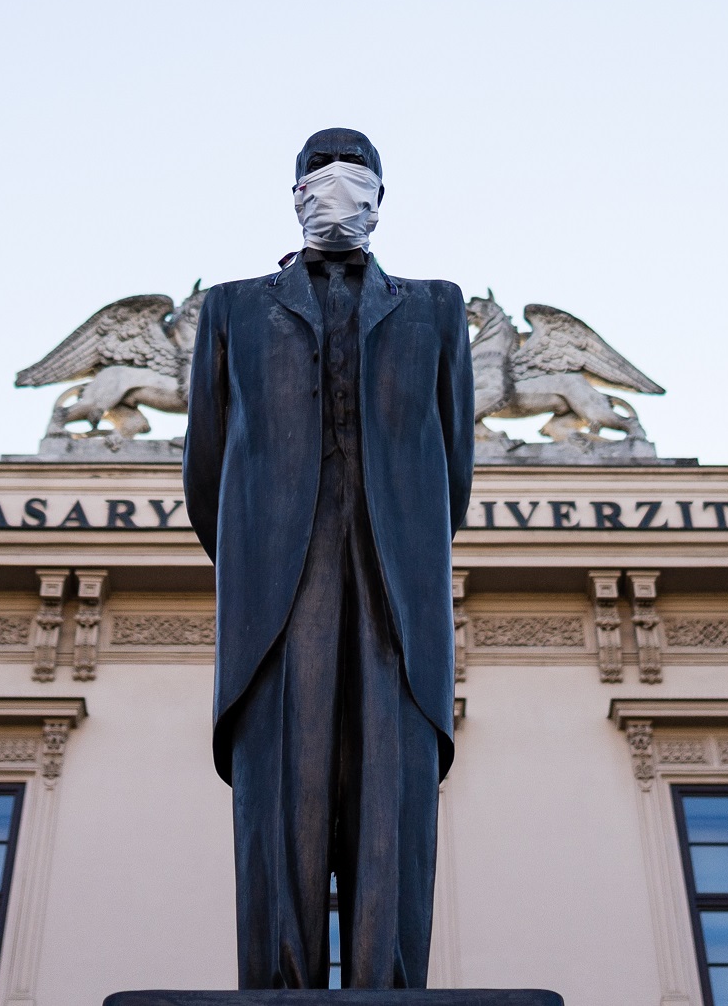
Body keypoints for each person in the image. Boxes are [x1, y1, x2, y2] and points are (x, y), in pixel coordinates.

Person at [182, 128, 476, 988]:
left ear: (381, 200)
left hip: (394, 575)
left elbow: (452, 462)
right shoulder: (233, 308)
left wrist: (405, 539)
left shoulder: (437, 306)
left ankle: (388, 978)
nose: (337, 192)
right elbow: (207, 468)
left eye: (355, 180)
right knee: (285, 781)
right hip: (281, 575)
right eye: (321, 178)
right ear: (296, 196)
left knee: (393, 783)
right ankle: (280, 977)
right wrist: (263, 548)